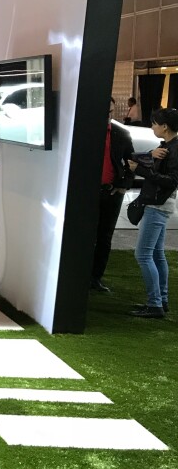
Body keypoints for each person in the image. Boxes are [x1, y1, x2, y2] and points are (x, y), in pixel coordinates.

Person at [128, 107, 178, 318]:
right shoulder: (168, 146)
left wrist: (139, 170)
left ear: (164, 126)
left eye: (154, 123)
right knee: (156, 253)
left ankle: (155, 304)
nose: (152, 127)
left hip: (158, 205)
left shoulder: (174, 149)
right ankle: (161, 300)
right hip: (160, 204)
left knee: (143, 254)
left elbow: (172, 181)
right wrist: (150, 156)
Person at [90, 98, 134, 293]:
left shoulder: (121, 134)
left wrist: (123, 186)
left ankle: (95, 278)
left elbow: (131, 163)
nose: (108, 116)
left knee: (104, 237)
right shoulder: (84, 133)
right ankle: (79, 275)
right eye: (105, 112)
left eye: (111, 112)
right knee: (84, 236)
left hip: (112, 193)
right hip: (86, 195)